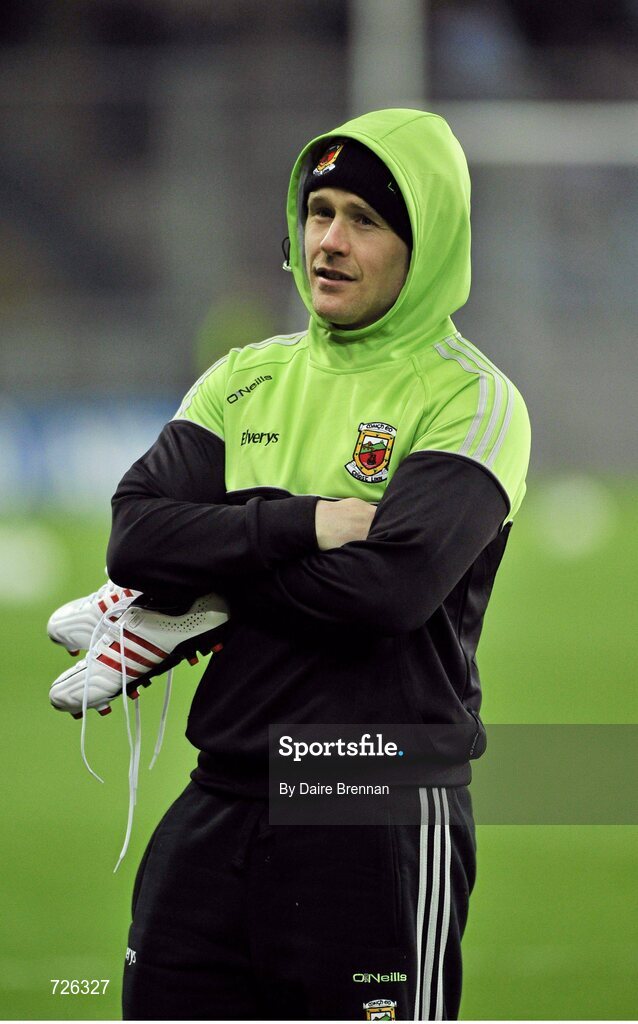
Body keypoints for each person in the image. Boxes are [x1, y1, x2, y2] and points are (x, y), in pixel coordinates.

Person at [48, 108, 530, 1020]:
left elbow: (387, 593)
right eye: (319, 212)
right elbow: (136, 537)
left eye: (366, 220)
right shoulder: (243, 380)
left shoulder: (472, 401)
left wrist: (207, 578)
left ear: (424, 245)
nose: (330, 241)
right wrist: (304, 521)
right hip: (221, 796)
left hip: (373, 806)